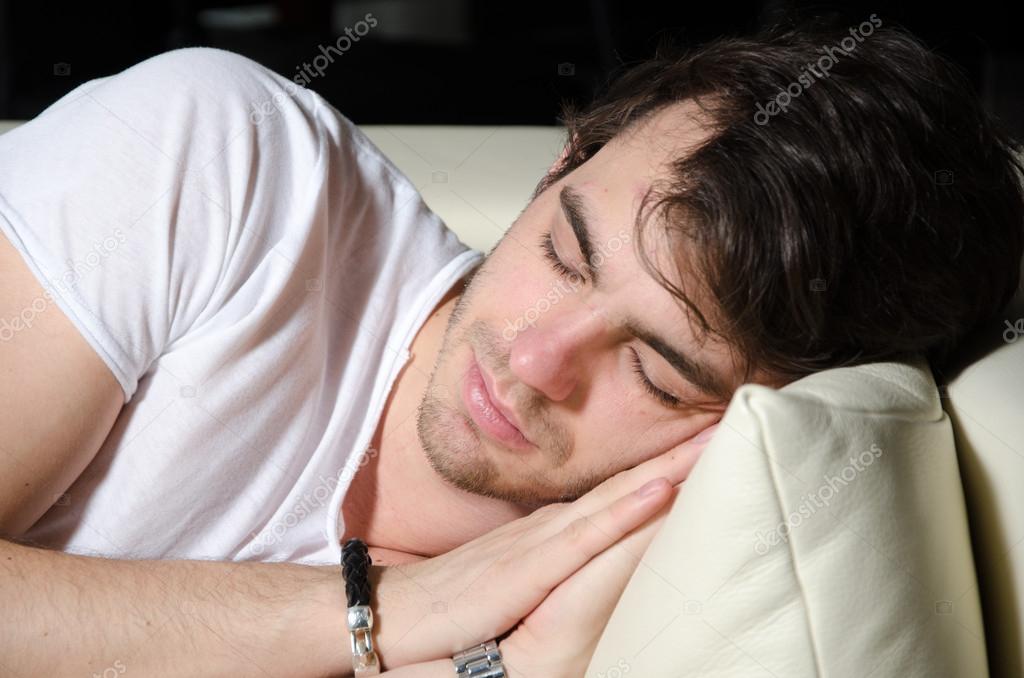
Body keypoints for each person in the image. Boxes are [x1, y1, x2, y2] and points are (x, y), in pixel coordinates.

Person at [1, 15, 1021, 677]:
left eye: (655, 373)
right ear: (560, 168)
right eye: (567, 254)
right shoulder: (220, 162)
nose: (536, 361)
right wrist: (375, 615)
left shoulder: (599, 597)